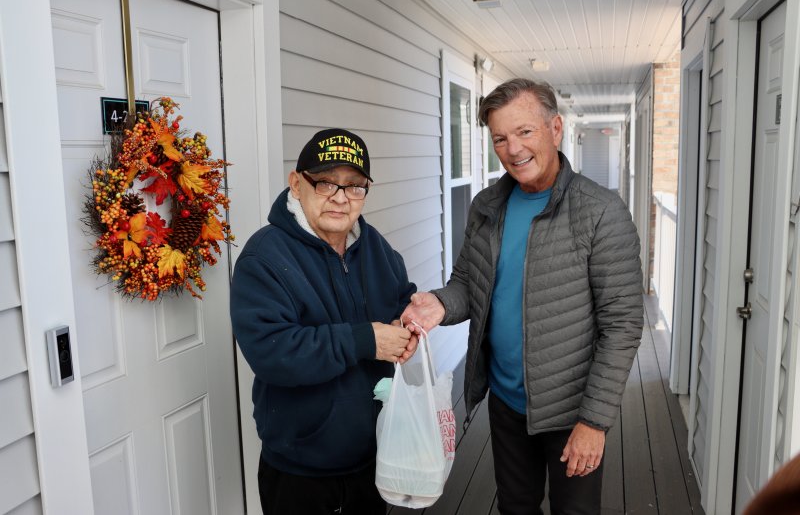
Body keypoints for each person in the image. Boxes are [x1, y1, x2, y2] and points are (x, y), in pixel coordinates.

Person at [402, 78, 644, 515]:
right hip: (507, 403)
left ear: (555, 129)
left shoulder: (602, 212)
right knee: (515, 506)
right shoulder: (487, 206)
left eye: (525, 132)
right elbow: (467, 282)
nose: (513, 149)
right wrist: (440, 303)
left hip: (572, 409)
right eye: (500, 138)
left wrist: (594, 421)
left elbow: (622, 324)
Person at [231, 128, 418, 515]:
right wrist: (365, 341)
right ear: (296, 185)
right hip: (302, 469)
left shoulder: (375, 247)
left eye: (354, 186)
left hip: (372, 456)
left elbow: (401, 299)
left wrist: (408, 326)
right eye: (325, 182)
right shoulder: (263, 258)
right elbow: (274, 352)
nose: (339, 197)